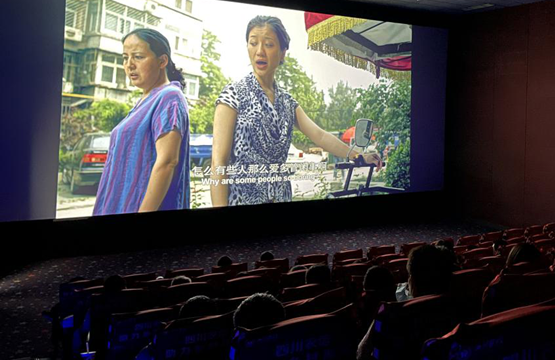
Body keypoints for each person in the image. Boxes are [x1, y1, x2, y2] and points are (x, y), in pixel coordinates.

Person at [210, 15, 382, 206]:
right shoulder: (233, 94)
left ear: (282, 52)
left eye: (268, 44)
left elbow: (320, 136)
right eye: (253, 43)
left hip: (281, 199)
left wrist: (358, 155)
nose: (259, 51)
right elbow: (218, 162)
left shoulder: (287, 102)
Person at [92, 29, 190, 215]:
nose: (129, 65)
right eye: (125, 58)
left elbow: (168, 162)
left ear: (162, 61)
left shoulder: (169, 97)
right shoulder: (146, 100)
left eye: (138, 57)